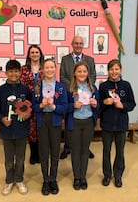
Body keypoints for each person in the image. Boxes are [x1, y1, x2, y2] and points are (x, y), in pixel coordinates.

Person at [0, 60, 32, 195]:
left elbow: (31, 108)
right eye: (10, 71)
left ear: (20, 73)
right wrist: (2, 119)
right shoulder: (0, 91)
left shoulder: (25, 90)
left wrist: (28, 115)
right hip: (7, 130)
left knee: (20, 157)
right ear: (6, 73)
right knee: (9, 158)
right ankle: (9, 180)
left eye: (16, 71)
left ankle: (19, 179)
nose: (13, 74)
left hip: (21, 130)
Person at [32, 58, 68, 195]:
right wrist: (40, 105)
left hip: (55, 121)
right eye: (46, 67)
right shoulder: (37, 87)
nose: (49, 70)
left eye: (52, 67)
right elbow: (33, 106)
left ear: (55, 69)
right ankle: (45, 179)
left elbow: (64, 107)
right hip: (42, 121)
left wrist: (54, 106)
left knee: (54, 151)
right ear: (42, 70)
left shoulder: (60, 87)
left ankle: (53, 178)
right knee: (43, 151)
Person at [99, 59, 136, 188]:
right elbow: (98, 105)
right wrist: (104, 102)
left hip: (121, 125)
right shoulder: (103, 86)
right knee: (106, 151)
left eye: (116, 69)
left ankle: (118, 175)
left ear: (120, 70)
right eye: (111, 69)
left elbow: (132, 103)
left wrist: (123, 105)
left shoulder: (126, 85)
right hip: (107, 125)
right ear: (108, 71)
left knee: (120, 151)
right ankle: (107, 175)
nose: (114, 72)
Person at [60, 35, 96, 160]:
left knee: (85, 123)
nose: (78, 45)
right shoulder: (65, 59)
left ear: (83, 45)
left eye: (80, 43)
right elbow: (63, 76)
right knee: (70, 120)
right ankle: (67, 147)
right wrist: (73, 86)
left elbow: (92, 75)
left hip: (86, 93)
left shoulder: (90, 60)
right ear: (72, 44)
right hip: (71, 94)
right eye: (76, 43)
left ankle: (85, 147)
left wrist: (85, 86)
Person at [65, 62, 100, 190]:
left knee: (85, 150)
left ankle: (83, 177)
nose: (82, 74)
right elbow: (65, 107)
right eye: (79, 71)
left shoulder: (93, 88)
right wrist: (72, 106)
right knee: (75, 151)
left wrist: (96, 104)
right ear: (74, 73)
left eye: (84, 71)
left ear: (88, 73)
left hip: (88, 122)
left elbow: (99, 107)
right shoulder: (69, 89)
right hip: (74, 122)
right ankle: (76, 177)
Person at [20, 45, 44, 165]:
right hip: (29, 102)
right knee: (31, 128)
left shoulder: (45, 67)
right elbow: (23, 84)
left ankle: (40, 153)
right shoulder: (24, 69)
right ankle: (33, 153)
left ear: (40, 54)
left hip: (42, 102)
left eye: (36, 52)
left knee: (40, 127)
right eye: (32, 52)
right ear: (29, 55)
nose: (34, 54)